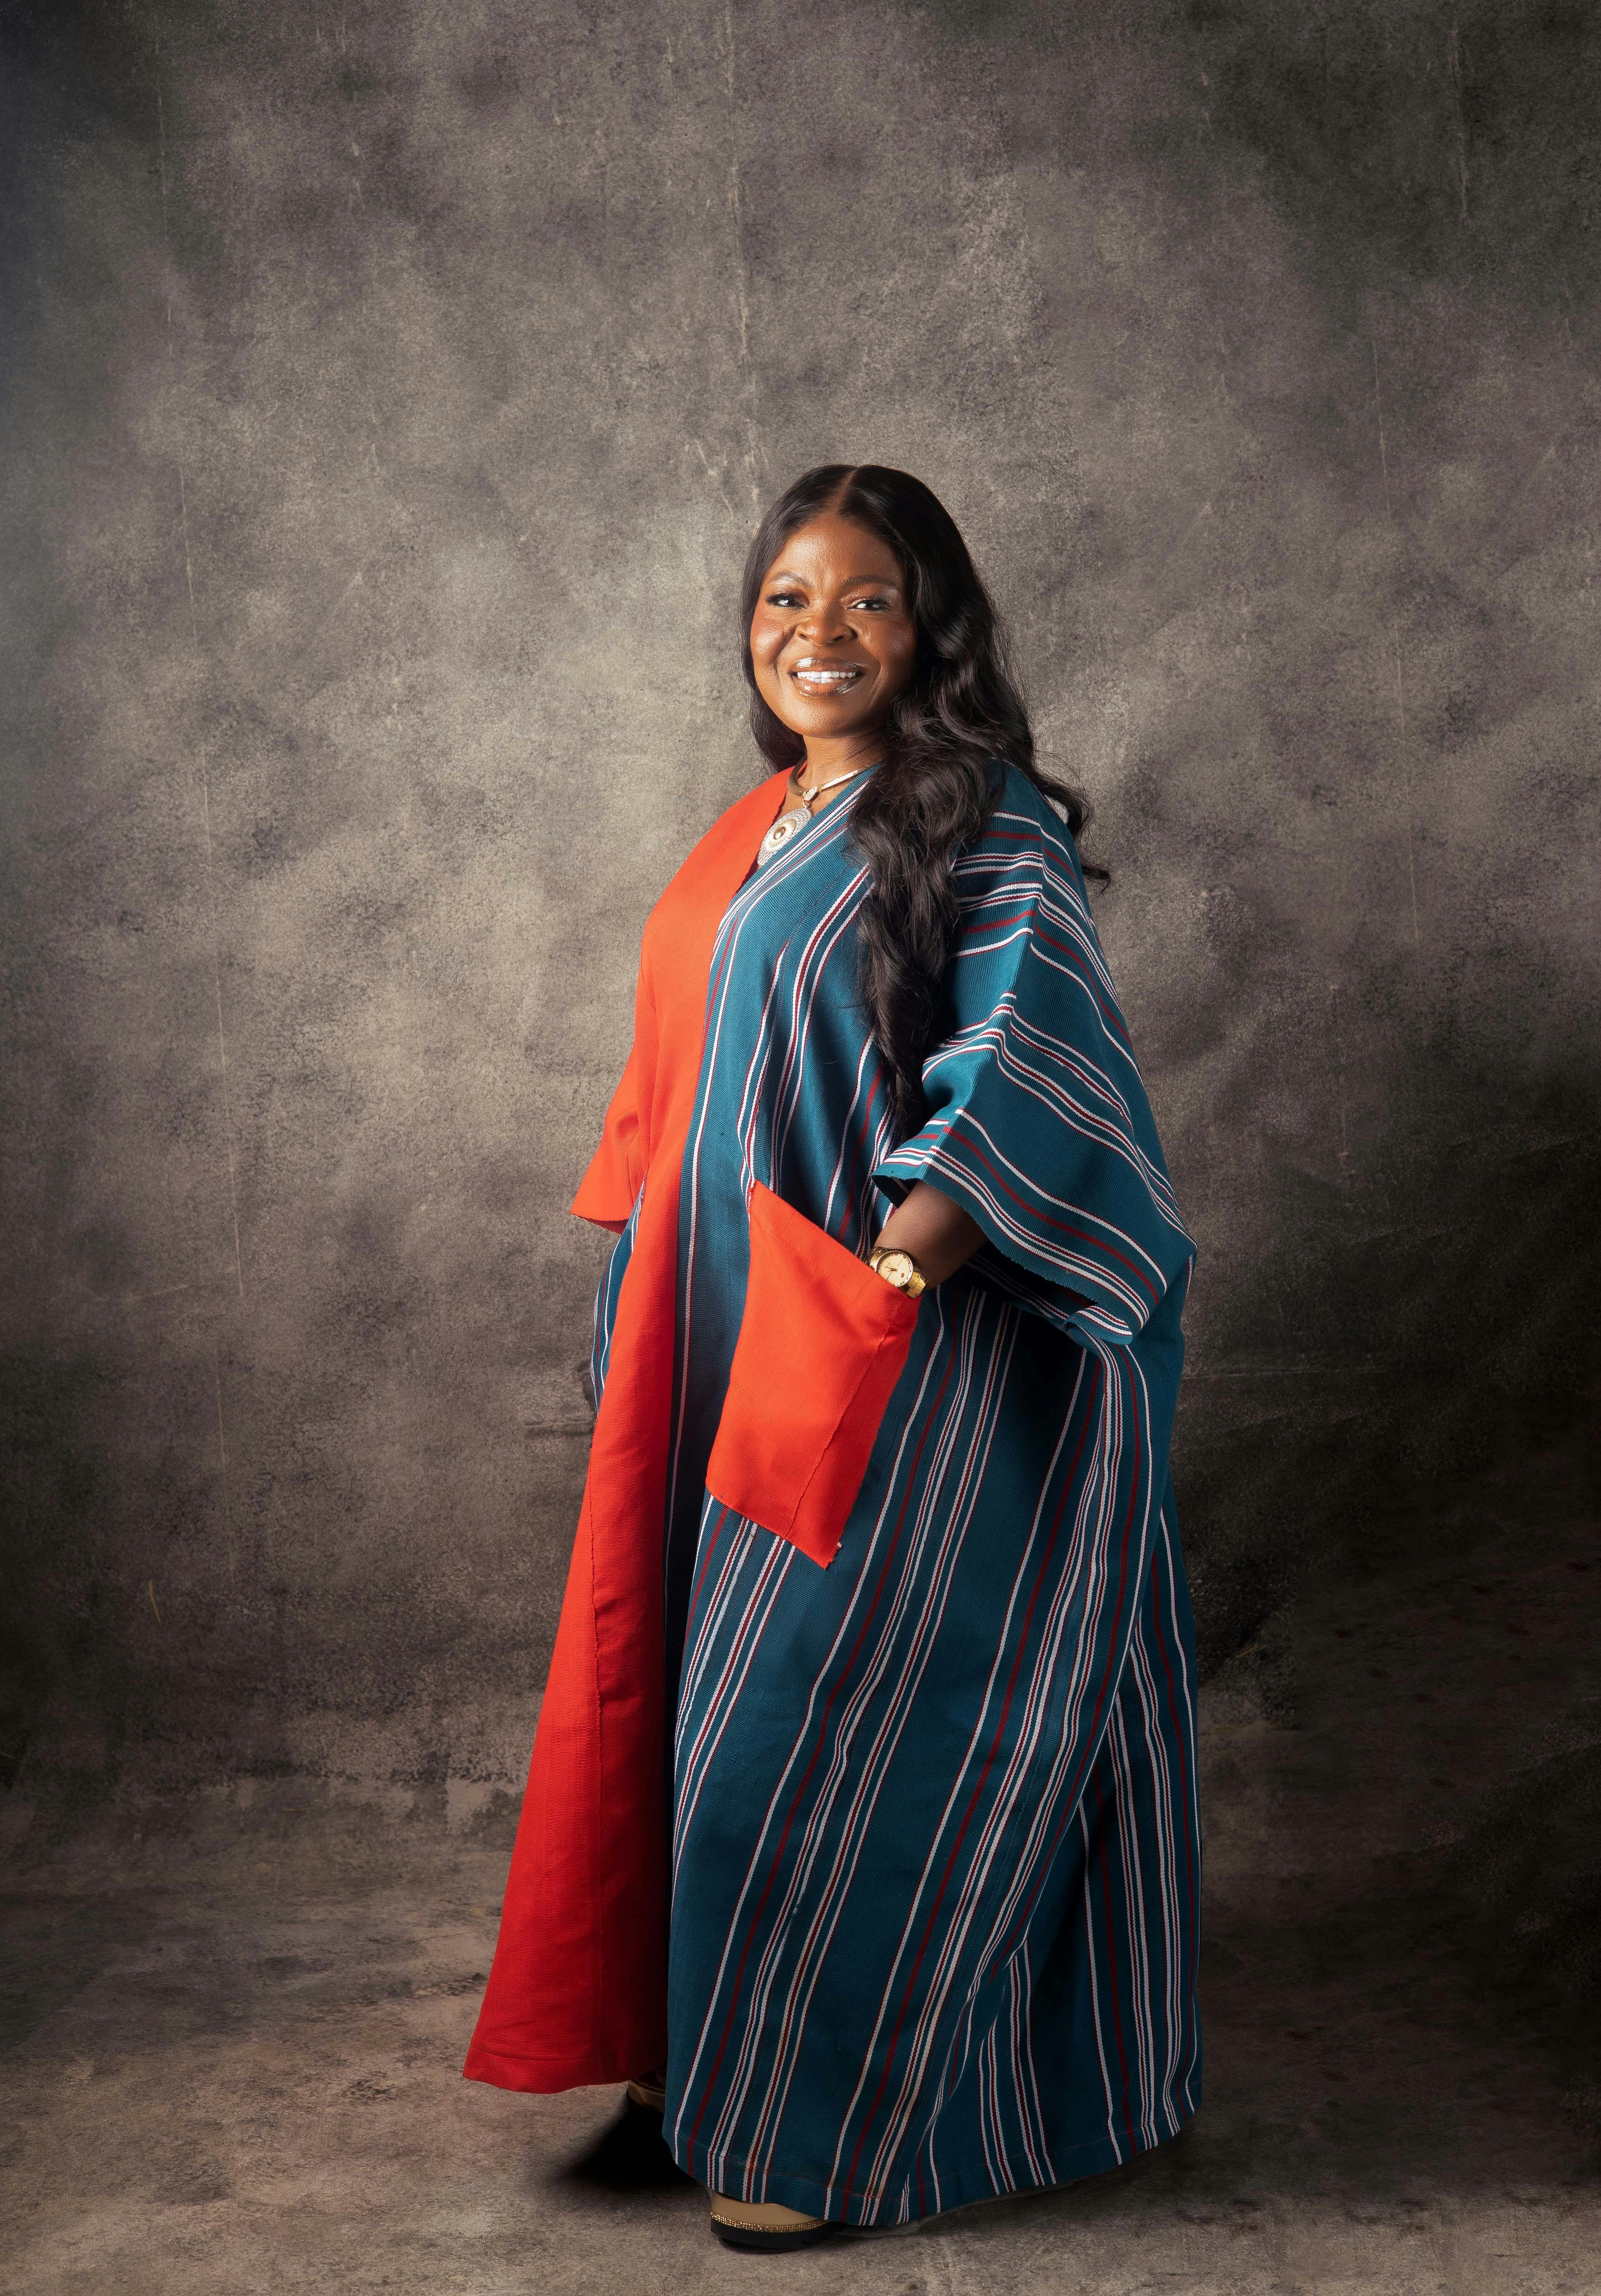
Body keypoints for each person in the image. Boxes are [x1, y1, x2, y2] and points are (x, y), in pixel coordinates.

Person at [464, 464, 1201, 2250]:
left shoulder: (979, 821)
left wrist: (882, 1276)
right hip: (711, 1341)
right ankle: (702, 2054)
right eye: (787, 597)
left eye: (865, 598)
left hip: (895, 1356)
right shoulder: (747, 834)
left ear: (925, 625)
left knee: (820, 1736)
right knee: (686, 1708)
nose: (819, 633)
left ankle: (817, 2127)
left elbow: (1037, 1070)